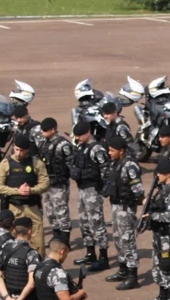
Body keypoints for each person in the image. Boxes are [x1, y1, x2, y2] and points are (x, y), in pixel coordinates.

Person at [103, 136, 145, 290]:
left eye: (112, 150)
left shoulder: (130, 166)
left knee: (127, 241)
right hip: (116, 207)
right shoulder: (116, 163)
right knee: (117, 238)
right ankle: (123, 270)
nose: (109, 153)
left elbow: (138, 191)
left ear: (121, 151)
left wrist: (129, 202)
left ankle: (132, 276)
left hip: (126, 208)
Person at [0, 135, 50, 254]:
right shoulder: (5, 164)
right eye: (17, 149)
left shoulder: (36, 163)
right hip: (14, 208)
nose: (19, 153)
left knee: (38, 244)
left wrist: (31, 190)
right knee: (11, 244)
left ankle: (37, 269)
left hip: (32, 208)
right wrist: (17, 191)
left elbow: (45, 184)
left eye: (22, 150)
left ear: (27, 150)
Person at [71, 122, 111, 271]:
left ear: (88, 133)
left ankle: (103, 257)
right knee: (84, 223)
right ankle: (90, 253)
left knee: (96, 224)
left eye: (80, 135)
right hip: (82, 190)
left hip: (93, 191)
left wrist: (103, 188)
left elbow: (105, 169)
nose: (78, 138)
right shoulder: (81, 147)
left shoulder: (97, 149)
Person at [145, 158, 170, 300]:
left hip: (168, 234)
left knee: (167, 265)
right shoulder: (162, 188)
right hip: (159, 233)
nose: (157, 175)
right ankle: (162, 294)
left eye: (160, 173)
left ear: (168, 174)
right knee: (158, 263)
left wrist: (152, 216)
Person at [39, 118, 74, 244]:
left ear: (53, 130)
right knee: (50, 211)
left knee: (61, 212)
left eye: (44, 130)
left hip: (59, 184)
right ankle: (56, 235)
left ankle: (65, 239)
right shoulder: (44, 143)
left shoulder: (63, 145)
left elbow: (71, 164)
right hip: (47, 184)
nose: (42, 132)